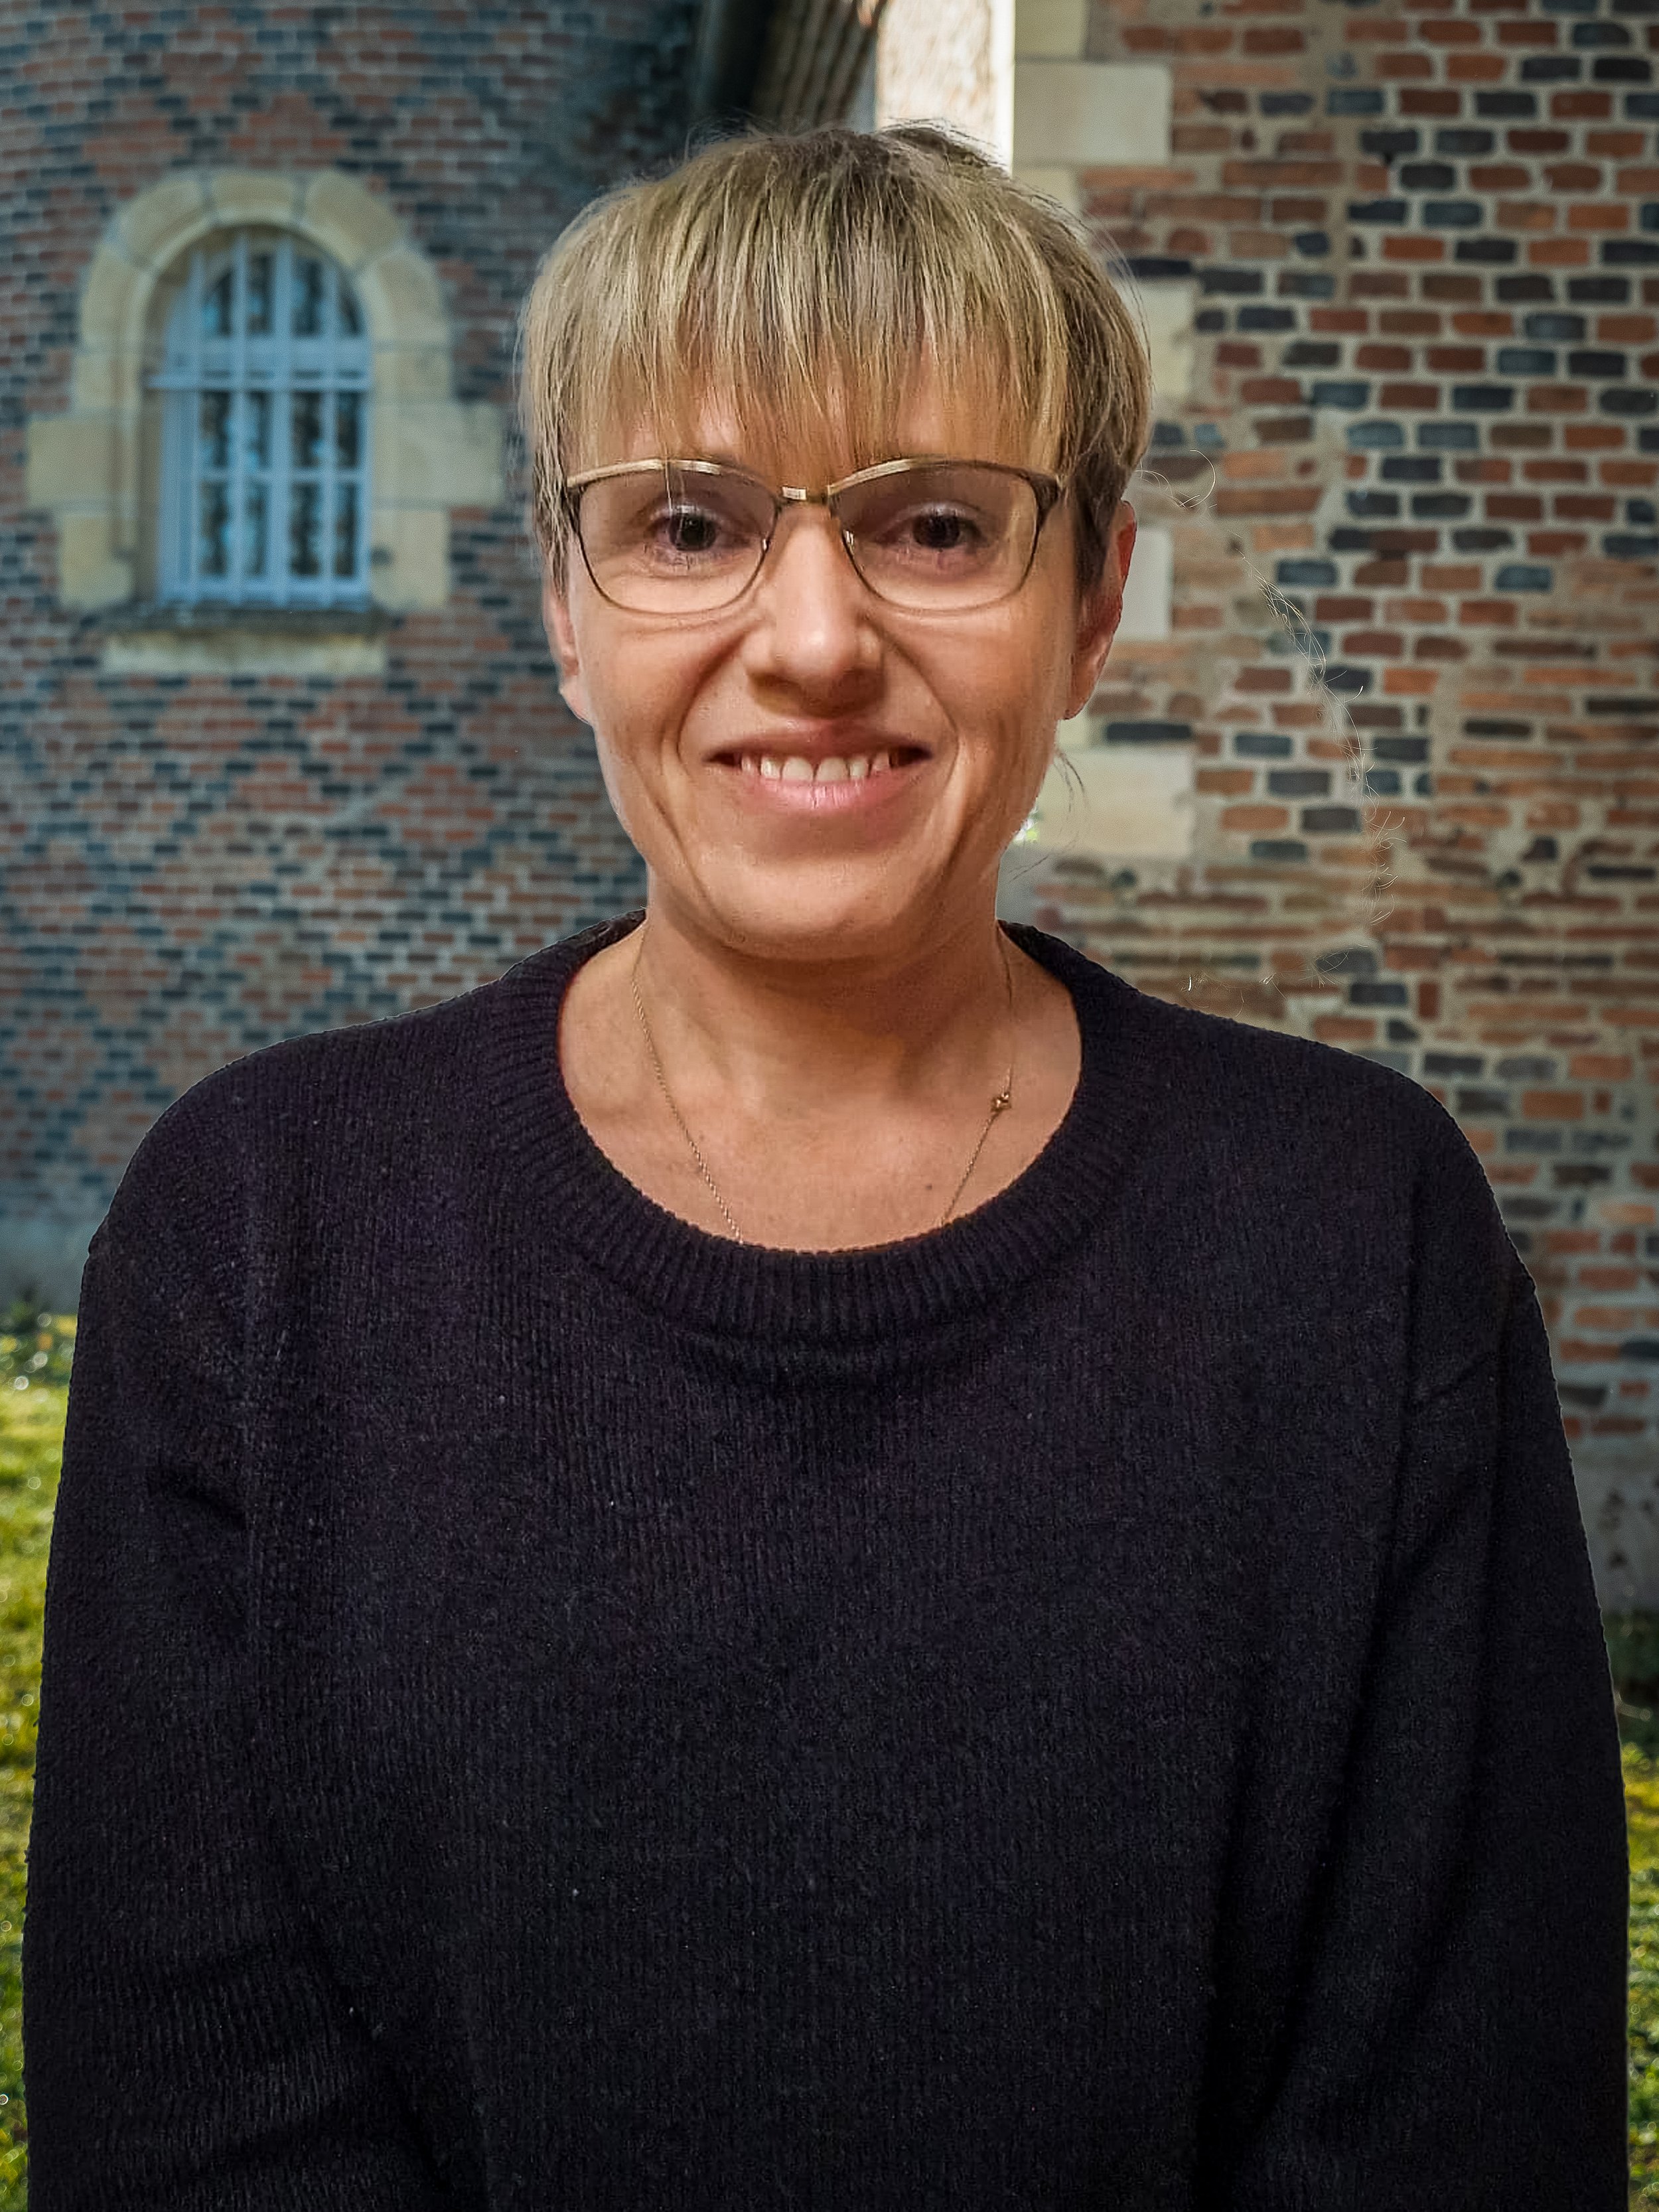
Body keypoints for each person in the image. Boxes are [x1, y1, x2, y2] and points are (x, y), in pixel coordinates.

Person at [24, 122, 1626, 2208]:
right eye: (688, 524)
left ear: (1092, 604)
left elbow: (1458, 2133)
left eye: (935, 527)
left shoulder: (1352, 1238)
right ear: (565, 608)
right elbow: (198, 2142)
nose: (809, 640)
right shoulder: (261, 1237)